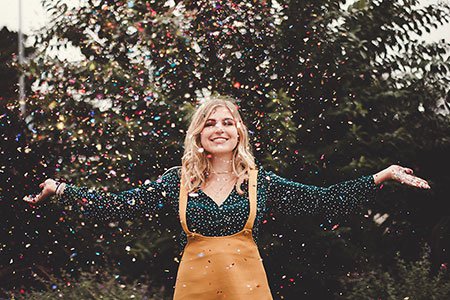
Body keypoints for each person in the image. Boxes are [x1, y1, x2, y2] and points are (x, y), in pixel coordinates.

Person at [24, 96, 430, 299]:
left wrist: (383, 175)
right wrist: (60, 189)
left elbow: (324, 202)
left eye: (228, 122)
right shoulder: (175, 182)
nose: (220, 129)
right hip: (193, 288)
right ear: (199, 135)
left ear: (239, 133)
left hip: (247, 289)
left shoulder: (261, 182)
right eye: (210, 124)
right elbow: (118, 205)